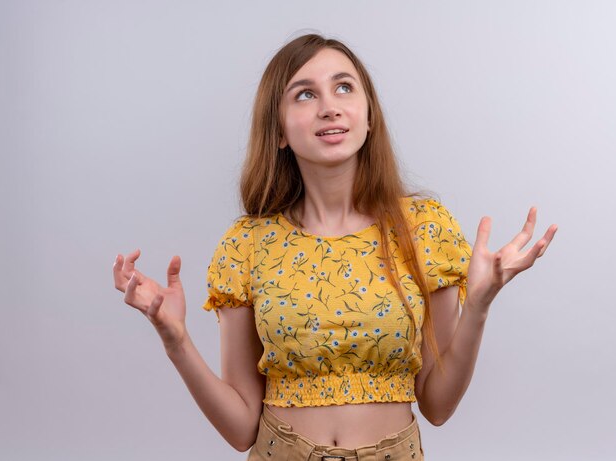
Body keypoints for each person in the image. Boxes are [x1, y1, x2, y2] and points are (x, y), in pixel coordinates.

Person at [112, 34, 557, 460]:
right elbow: (241, 428)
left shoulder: (424, 229)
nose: (329, 107)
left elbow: (437, 406)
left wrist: (478, 306)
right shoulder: (247, 244)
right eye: (304, 94)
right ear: (280, 131)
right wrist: (176, 340)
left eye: (344, 87)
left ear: (367, 116)